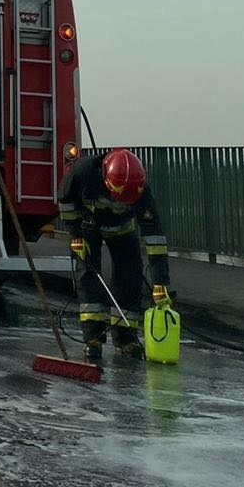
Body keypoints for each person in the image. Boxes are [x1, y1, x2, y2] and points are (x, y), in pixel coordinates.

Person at [58, 147, 170, 363]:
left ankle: (126, 340)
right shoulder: (82, 172)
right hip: (88, 229)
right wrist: (75, 235)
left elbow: (155, 237)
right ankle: (93, 340)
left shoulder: (141, 190)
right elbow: (66, 201)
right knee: (89, 278)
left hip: (123, 231)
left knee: (129, 278)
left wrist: (160, 283)